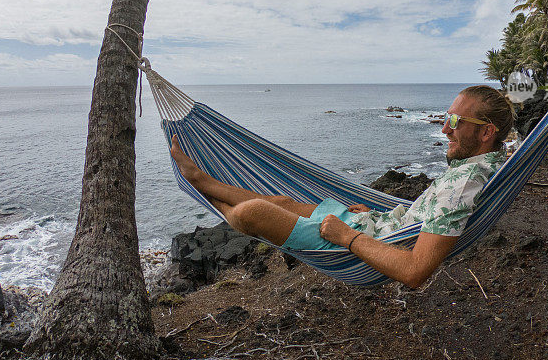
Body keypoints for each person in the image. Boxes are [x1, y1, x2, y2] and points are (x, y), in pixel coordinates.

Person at [170, 85, 513, 289]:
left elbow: (414, 271)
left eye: (454, 121)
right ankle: (204, 181)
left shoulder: (464, 184)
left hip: (358, 241)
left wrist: (347, 237)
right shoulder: (481, 166)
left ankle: (210, 195)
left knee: (252, 213)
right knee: (281, 199)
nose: (444, 130)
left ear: (486, 133)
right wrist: (378, 214)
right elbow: (424, 216)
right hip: (377, 226)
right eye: (445, 119)